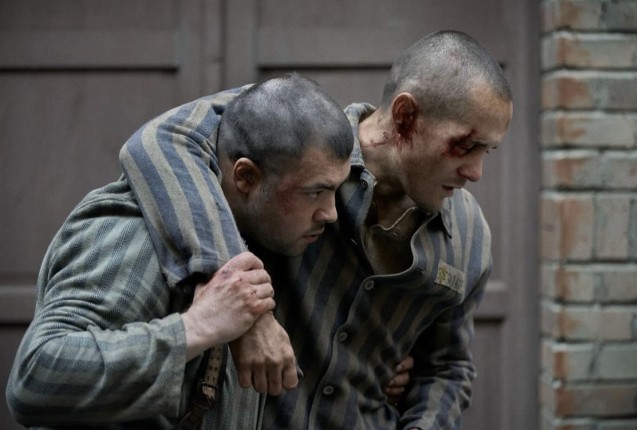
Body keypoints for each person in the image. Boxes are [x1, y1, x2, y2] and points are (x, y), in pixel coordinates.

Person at [115, 30, 514, 429]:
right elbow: (162, 139)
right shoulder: (296, 139)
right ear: (406, 117)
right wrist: (248, 310)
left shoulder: (470, 238)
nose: (476, 172)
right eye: (466, 145)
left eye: (488, 151)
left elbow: (446, 368)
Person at [6, 74, 412, 429]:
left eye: (334, 191)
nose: (330, 213)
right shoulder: (137, 236)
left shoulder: (265, 233)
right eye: (315, 192)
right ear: (246, 177)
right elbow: (36, 375)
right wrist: (194, 330)